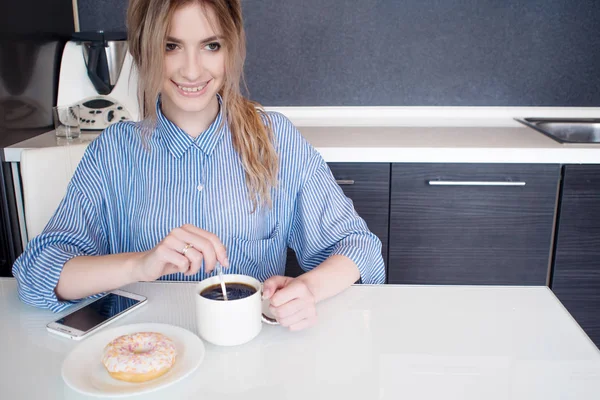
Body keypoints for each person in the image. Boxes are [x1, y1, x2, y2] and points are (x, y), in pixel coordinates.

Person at [12, 0, 385, 331]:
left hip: (250, 360)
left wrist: (307, 288)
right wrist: (140, 265)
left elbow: (360, 249)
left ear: (231, 50)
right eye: (171, 46)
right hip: (146, 360)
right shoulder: (114, 153)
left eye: (211, 45)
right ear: (145, 50)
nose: (192, 71)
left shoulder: (276, 139)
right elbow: (35, 273)